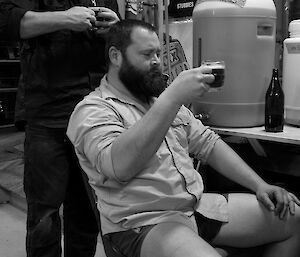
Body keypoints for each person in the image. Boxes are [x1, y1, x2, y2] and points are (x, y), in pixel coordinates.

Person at [67, 19, 300, 257]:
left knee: (293, 217)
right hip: (142, 223)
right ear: (116, 56)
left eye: (158, 53)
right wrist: (174, 95)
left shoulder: (161, 102)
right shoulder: (94, 110)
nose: (157, 61)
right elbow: (119, 167)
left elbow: (209, 144)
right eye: (147, 54)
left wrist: (260, 185)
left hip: (193, 208)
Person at [0, 1, 120, 257]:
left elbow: (118, 43)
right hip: (47, 112)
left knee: (86, 212)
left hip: (94, 112)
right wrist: (65, 18)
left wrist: (116, 27)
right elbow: (9, 22)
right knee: (44, 214)